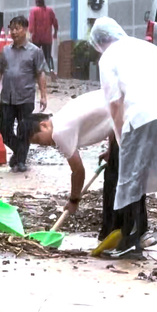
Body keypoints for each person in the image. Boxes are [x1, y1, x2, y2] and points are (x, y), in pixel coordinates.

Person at [90, 18, 157, 257]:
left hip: (141, 116)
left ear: (99, 43)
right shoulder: (151, 48)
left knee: (132, 178)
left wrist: (120, 139)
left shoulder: (108, 57)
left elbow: (114, 103)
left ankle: (130, 238)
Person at [27, 90, 119, 238]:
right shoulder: (61, 118)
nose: (42, 145)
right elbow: (108, 117)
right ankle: (110, 233)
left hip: (130, 116)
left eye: (38, 140)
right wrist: (111, 148)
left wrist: (74, 200)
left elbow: (78, 171)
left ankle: (133, 234)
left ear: (43, 125)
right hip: (121, 112)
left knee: (116, 183)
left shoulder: (59, 132)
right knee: (112, 180)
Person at [0, 16, 48, 173]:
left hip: (25, 97)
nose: (13, 32)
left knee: (24, 130)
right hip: (7, 97)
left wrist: (43, 95)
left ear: (25, 30)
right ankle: (18, 153)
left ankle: (20, 161)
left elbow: (40, 74)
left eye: (17, 28)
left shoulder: (35, 52)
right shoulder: (6, 51)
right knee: (5, 131)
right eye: (11, 28)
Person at [29, 0, 59, 73]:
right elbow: (55, 23)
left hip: (36, 37)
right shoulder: (49, 11)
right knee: (48, 56)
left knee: (35, 55)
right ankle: (51, 70)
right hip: (47, 38)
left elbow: (31, 25)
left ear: (36, 1)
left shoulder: (34, 11)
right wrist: (55, 33)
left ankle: (36, 71)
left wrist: (30, 35)